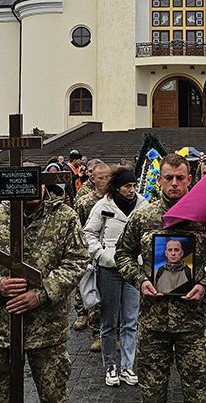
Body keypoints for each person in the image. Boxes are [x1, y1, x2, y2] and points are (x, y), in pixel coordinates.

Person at [115, 153, 206, 403]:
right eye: (168, 178)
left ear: (190, 180)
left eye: (180, 178)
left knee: (198, 394)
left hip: (192, 323)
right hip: (153, 323)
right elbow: (123, 254)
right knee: (152, 394)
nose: (174, 184)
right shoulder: (143, 217)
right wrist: (140, 280)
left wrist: (205, 285)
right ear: (159, 180)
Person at [0, 181, 89, 403]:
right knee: (1, 397)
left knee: (54, 397)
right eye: (22, 183)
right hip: (2, 328)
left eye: (34, 182)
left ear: (43, 184)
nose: (29, 189)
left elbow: (77, 261)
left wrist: (41, 294)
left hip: (47, 329)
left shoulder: (65, 217)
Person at [83, 166, 147, 388]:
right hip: (109, 268)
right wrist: (101, 254)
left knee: (131, 319)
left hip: (134, 269)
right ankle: (111, 366)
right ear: (117, 187)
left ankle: (128, 366)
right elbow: (89, 233)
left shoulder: (142, 204)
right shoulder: (103, 206)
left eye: (133, 185)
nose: (132, 190)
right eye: (127, 186)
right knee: (109, 321)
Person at [72, 160, 109, 351]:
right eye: (100, 178)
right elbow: (78, 228)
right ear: (93, 179)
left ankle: (113, 332)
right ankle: (97, 333)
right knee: (93, 294)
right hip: (91, 252)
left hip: (111, 253)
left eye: (107, 177)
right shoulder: (85, 201)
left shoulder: (117, 199)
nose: (104, 181)